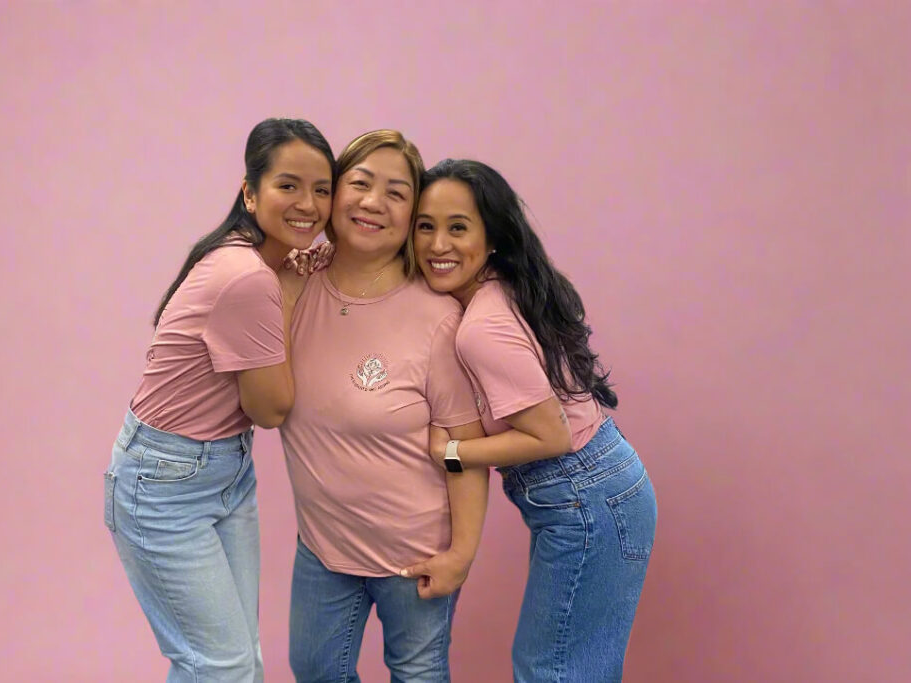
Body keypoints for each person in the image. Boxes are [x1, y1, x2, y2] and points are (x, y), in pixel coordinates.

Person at [407, 159, 657, 682]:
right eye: (425, 226)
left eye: (458, 227)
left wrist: (452, 452)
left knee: (552, 670)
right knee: (573, 667)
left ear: (492, 236)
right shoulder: (503, 287)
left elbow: (550, 434)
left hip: (584, 496)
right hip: (606, 484)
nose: (438, 244)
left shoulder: (481, 326)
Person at [104, 118, 335, 682]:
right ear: (249, 193)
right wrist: (290, 292)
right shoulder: (250, 277)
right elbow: (270, 409)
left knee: (234, 662)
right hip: (165, 481)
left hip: (222, 471)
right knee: (222, 665)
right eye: (288, 185)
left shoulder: (257, 264)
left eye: (323, 189)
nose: (308, 203)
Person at [280, 131, 490, 683]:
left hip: (415, 557)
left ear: (411, 218)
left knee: (417, 674)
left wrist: (460, 554)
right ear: (332, 194)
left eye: (398, 193)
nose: (374, 202)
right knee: (314, 669)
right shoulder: (292, 290)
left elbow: (463, 449)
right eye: (361, 183)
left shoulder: (437, 319)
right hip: (323, 549)